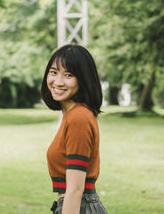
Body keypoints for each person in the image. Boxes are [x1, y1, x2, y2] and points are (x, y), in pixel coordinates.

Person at [41, 44, 108, 214]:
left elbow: (75, 190)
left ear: (83, 79)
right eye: (53, 72)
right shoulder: (73, 115)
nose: (58, 81)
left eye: (68, 75)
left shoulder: (79, 118)